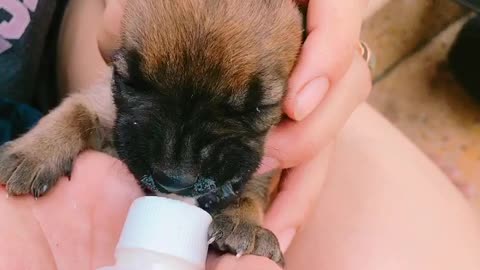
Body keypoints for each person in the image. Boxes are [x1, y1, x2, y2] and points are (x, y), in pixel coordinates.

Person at [1, 0, 480, 269]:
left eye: (252, 106)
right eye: (138, 82)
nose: (176, 168)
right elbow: (96, 103)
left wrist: (335, 37)